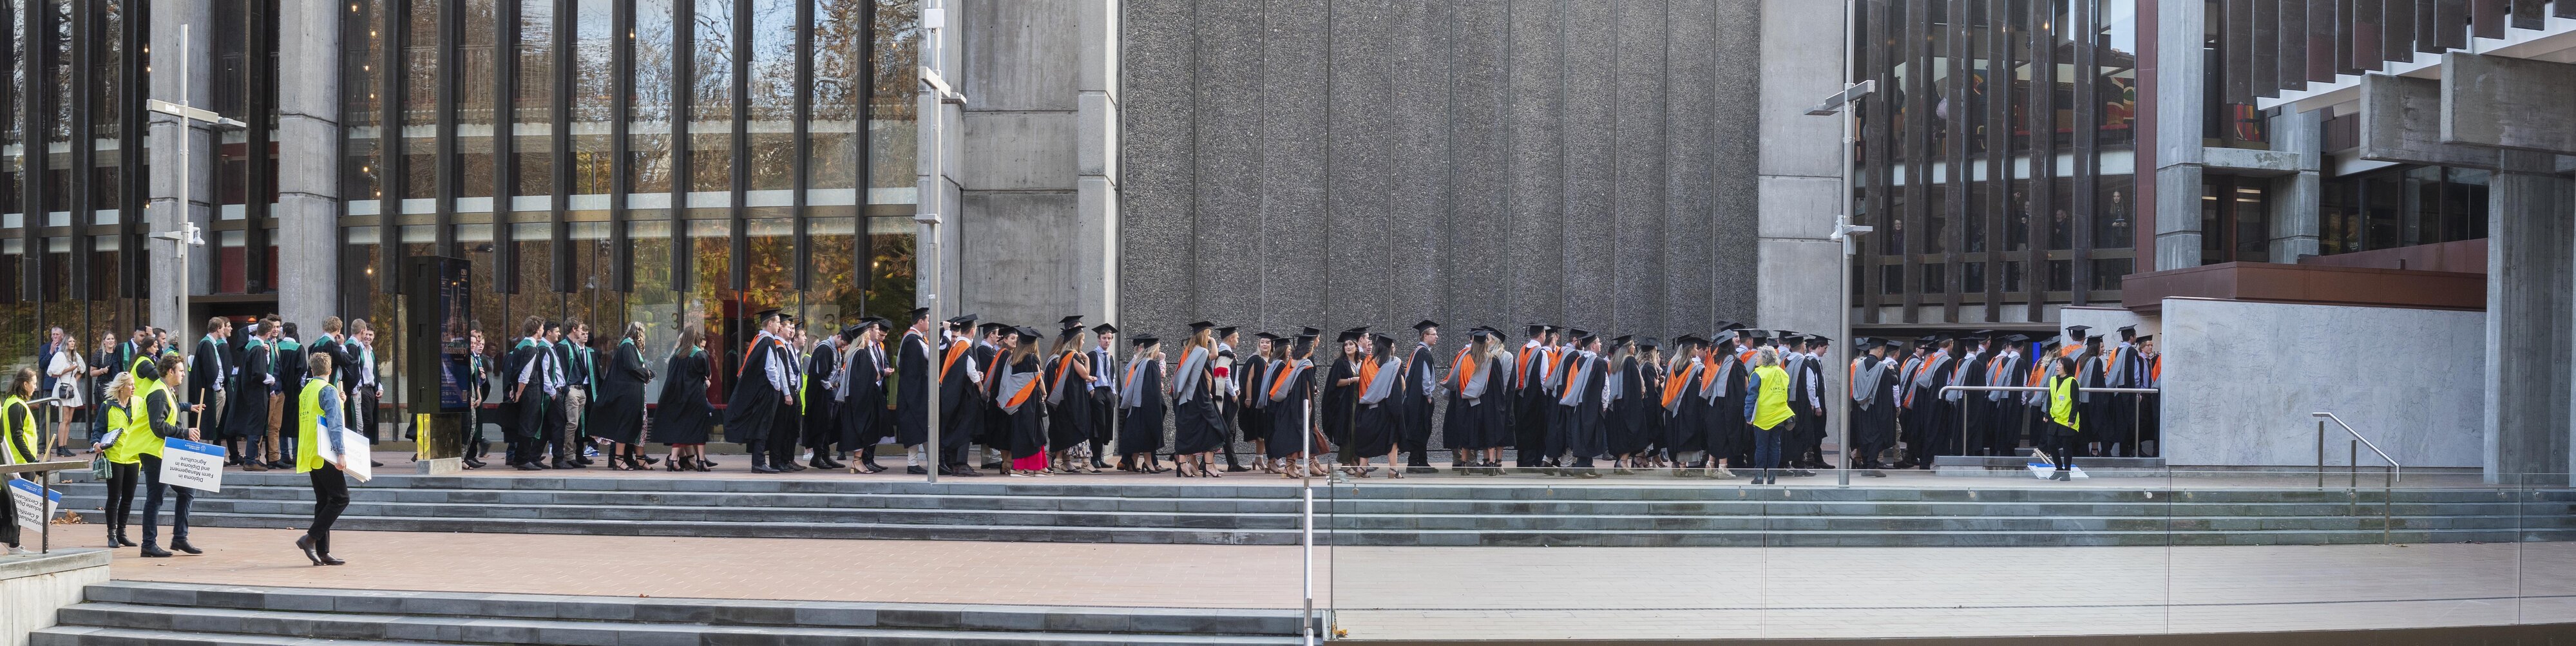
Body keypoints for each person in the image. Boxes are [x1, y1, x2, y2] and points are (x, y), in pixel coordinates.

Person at [136, 354, 205, 558]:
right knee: (155, 498)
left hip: (166, 451)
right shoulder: (158, 393)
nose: (184, 373)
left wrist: (184, 432)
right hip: (154, 452)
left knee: (187, 491)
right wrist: (185, 433)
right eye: (181, 370)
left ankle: (180, 538)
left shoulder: (166, 390)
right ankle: (148, 544)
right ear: (170, 371)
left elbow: (171, 416)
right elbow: (158, 427)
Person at [294, 350, 352, 565]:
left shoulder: (307, 390)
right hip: (325, 452)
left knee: (324, 500)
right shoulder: (328, 390)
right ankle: (310, 539)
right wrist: (341, 453)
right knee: (341, 498)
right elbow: (334, 424)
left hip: (310, 451)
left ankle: (323, 551)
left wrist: (340, 402)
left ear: (312, 369)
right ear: (330, 371)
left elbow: (322, 415)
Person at [728, 310, 797, 474]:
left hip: (759, 391)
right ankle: (758, 462)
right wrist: (778, 388)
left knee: (761, 426)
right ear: (769, 323)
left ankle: (758, 462)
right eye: (778, 322)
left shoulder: (758, 340)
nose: (780, 325)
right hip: (766, 392)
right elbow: (771, 368)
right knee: (762, 426)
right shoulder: (768, 341)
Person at [593, 323, 654, 470]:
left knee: (638, 425)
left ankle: (640, 458)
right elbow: (632, 367)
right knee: (625, 425)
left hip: (633, 393)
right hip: (627, 394)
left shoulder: (630, 346)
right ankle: (618, 459)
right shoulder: (627, 346)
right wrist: (648, 374)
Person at [1264, 328, 1323, 478]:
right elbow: (1309, 388)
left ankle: (1291, 466)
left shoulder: (1292, 362)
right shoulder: (1307, 364)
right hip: (1300, 404)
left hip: (1288, 403)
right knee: (1300, 434)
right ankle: (1292, 466)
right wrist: (1310, 406)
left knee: (1293, 435)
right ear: (1309, 348)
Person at [654, 327, 715, 471]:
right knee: (699, 428)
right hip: (695, 396)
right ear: (696, 339)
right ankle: (701, 462)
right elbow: (708, 375)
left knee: (680, 428)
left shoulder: (676, 355)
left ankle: (673, 460)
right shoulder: (700, 355)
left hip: (678, 396)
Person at [993, 327, 1051, 477]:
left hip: (1018, 403)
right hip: (1030, 402)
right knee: (1033, 433)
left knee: (1024, 434)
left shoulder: (1013, 358)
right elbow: (1038, 380)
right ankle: (1024, 468)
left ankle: (1032, 466)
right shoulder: (1031, 358)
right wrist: (1044, 393)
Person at [838, 320, 893, 474]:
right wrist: (879, 374)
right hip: (862, 400)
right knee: (861, 430)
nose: (871, 335)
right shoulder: (861, 354)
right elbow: (870, 377)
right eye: (868, 333)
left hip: (856, 398)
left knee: (860, 430)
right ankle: (857, 461)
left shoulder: (854, 353)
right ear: (863, 337)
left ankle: (858, 461)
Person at [1346, 332, 1403, 478]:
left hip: (1368, 407)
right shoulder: (1393, 364)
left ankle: (1362, 469)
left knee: (1366, 438)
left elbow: (1363, 385)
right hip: (1386, 409)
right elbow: (1396, 389)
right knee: (1392, 440)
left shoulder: (1367, 362)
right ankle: (1393, 470)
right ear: (1390, 348)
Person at [503, 318, 557, 470]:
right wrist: (519, 393)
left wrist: (515, 390)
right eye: (541, 328)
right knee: (528, 425)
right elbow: (525, 375)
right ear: (536, 330)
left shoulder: (520, 346)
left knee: (524, 425)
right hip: (530, 391)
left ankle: (520, 458)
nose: (542, 330)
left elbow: (514, 370)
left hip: (523, 390)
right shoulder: (531, 349)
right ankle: (522, 460)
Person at [932, 314, 982, 477]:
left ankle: (956, 465)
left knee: (956, 429)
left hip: (953, 394)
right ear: (973, 331)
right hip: (964, 396)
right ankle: (961, 464)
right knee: (964, 431)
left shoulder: (957, 346)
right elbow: (970, 371)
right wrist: (981, 387)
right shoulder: (964, 346)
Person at [97, 374, 143, 548]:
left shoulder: (138, 403)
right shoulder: (107, 406)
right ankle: (112, 533)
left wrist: (187, 406)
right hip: (115, 456)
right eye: (130, 385)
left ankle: (122, 533)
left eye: (134, 385)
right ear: (121, 387)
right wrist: (96, 443)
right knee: (114, 497)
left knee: (128, 497)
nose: (133, 388)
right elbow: (99, 429)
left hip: (134, 457)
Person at [1043, 320, 1094, 474]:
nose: (1084, 342)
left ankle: (1062, 461)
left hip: (1065, 400)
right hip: (1074, 401)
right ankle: (1083, 462)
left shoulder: (1062, 356)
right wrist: (1088, 360)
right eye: (1083, 339)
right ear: (1077, 340)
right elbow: (1085, 375)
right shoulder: (1072, 355)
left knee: (1065, 431)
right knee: (1078, 429)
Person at [227, 319, 278, 471]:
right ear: (268, 334)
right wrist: (272, 379)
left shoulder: (252, 346)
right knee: (256, 424)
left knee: (255, 423)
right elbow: (258, 374)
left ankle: (254, 457)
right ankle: (250, 459)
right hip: (256, 393)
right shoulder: (257, 349)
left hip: (250, 391)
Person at [1115, 334, 1168, 473]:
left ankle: (1133, 462)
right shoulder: (1150, 364)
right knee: (1148, 436)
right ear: (1153, 349)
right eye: (1158, 348)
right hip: (1147, 407)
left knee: (1141, 437)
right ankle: (1149, 464)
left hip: (1138, 406)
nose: (1158, 351)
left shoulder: (1140, 362)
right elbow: (1152, 390)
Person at [1847, 338, 1899, 477]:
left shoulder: (1858, 366)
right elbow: (1894, 382)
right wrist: (1893, 370)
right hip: (1876, 410)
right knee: (1877, 437)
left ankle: (1866, 465)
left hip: (1861, 408)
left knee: (1864, 437)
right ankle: (1871, 465)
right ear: (1881, 350)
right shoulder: (1882, 368)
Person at [1, 368, 39, 553]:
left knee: (16, 506)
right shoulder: (17, 405)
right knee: (19, 507)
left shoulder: (11, 403)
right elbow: (17, 437)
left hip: (17, 461)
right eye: (34, 383)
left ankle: (13, 542)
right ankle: (13, 543)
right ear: (25, 384)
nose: (35, 387)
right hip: (20, 462)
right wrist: (33, 461)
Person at [1746, 347, 1795, 485]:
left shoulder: (1759, 373)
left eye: (1758, 356)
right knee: (1775, 446)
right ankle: (1772, 477)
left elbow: (1751, 396)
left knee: (1761, 447)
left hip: (1763, 416)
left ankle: (1760, 477)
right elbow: (1787, 394)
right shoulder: (1783, 373)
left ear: (1765, 359)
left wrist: (1748, 415)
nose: (1756, 358)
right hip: (1780, 415)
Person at [801, 323, 846, 470]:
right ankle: (817, 456)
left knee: (829, 425)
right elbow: (820, 374)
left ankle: (825, 456)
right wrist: (831, 388)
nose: (843, 346)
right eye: (844, 342)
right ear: (839, 336)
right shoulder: (825, 348)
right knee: (822, 424)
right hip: (822, 393)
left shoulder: (835, 349)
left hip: (831, 391)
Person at [1398, 321, 1440, 474]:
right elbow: (1425, 377)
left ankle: (1422, 460)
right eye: (1433, 334)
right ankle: (1414, 462)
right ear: (1425, 336)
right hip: (1420, 399)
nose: (1437, 337)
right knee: (1419, 429)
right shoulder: (1423, 353)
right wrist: (1429, 395)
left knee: (1422, 429)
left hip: (1414, 398)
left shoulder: (1418, 351)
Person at [191, 318, 233, 457]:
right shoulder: (207, 344)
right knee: (209, 423)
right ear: (218, 329)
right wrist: (217, 387)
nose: (225, 330)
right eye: (223, 328)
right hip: (210, 391)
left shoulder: (210, 343)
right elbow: (212, 370)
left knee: (212, 423)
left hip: (213, 389)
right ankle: (205, 455)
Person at [555, 319, 595, 468]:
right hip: (571, 389)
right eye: (580, 330)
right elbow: (560, 370)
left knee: (575, 425)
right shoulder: (564, 346)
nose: (582, 332)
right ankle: (568, 456)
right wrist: (566, 389)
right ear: (574, 330)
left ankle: (573, 455)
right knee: (572, 424)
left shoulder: (573, 346)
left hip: (580, 389)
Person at [269, 323, 307, 470]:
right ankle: (296, 456)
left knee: (280, 424)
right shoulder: (299, 348)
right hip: (295, 391)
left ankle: (284, 455)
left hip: (279, 390)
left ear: (283, 332)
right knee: (295, 423)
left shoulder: (277, 346)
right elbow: (303, 371)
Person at [2042, 356, 2083, 481]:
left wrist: (2072, 418)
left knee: (2067, 445)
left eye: (2060, 364)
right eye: (2057, 364)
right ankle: (2059, 468)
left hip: (2067, 419)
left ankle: (2067, 472)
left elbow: (2076, 402)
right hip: (2055, 417)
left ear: (2067, 367)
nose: (2057, 367)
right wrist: (2047, 414)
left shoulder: (2072, 381)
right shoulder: (2053, 380)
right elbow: (2050, 399)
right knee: (2051, 443)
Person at [1086, 323, 1120, 471]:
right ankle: (1094, 458)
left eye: (1109, 338)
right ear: (1098, 339)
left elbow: (1112, 376)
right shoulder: (1092, 355)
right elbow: (1087, 375)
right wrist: (1091, 390)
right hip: (1097, 391)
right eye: (1104, 338)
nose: (1107, 341)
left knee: (1105, 426)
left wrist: (1113, 393)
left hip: (1108, 393)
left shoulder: (1109, 357)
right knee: (1098, 426)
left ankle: (1100, 457)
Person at [46, 334, 87, 458]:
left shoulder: (75, 355)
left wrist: (74, 380)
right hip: (62, 387)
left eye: (74, 341)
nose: (72, 343)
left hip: (71, 388)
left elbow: (82, 369)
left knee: (69, 420)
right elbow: (53, 373)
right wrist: (69, 370)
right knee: (63, 420)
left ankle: (65, 446)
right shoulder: (60, 355)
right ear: (66, 343)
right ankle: (60, 447)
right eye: (70, 341)